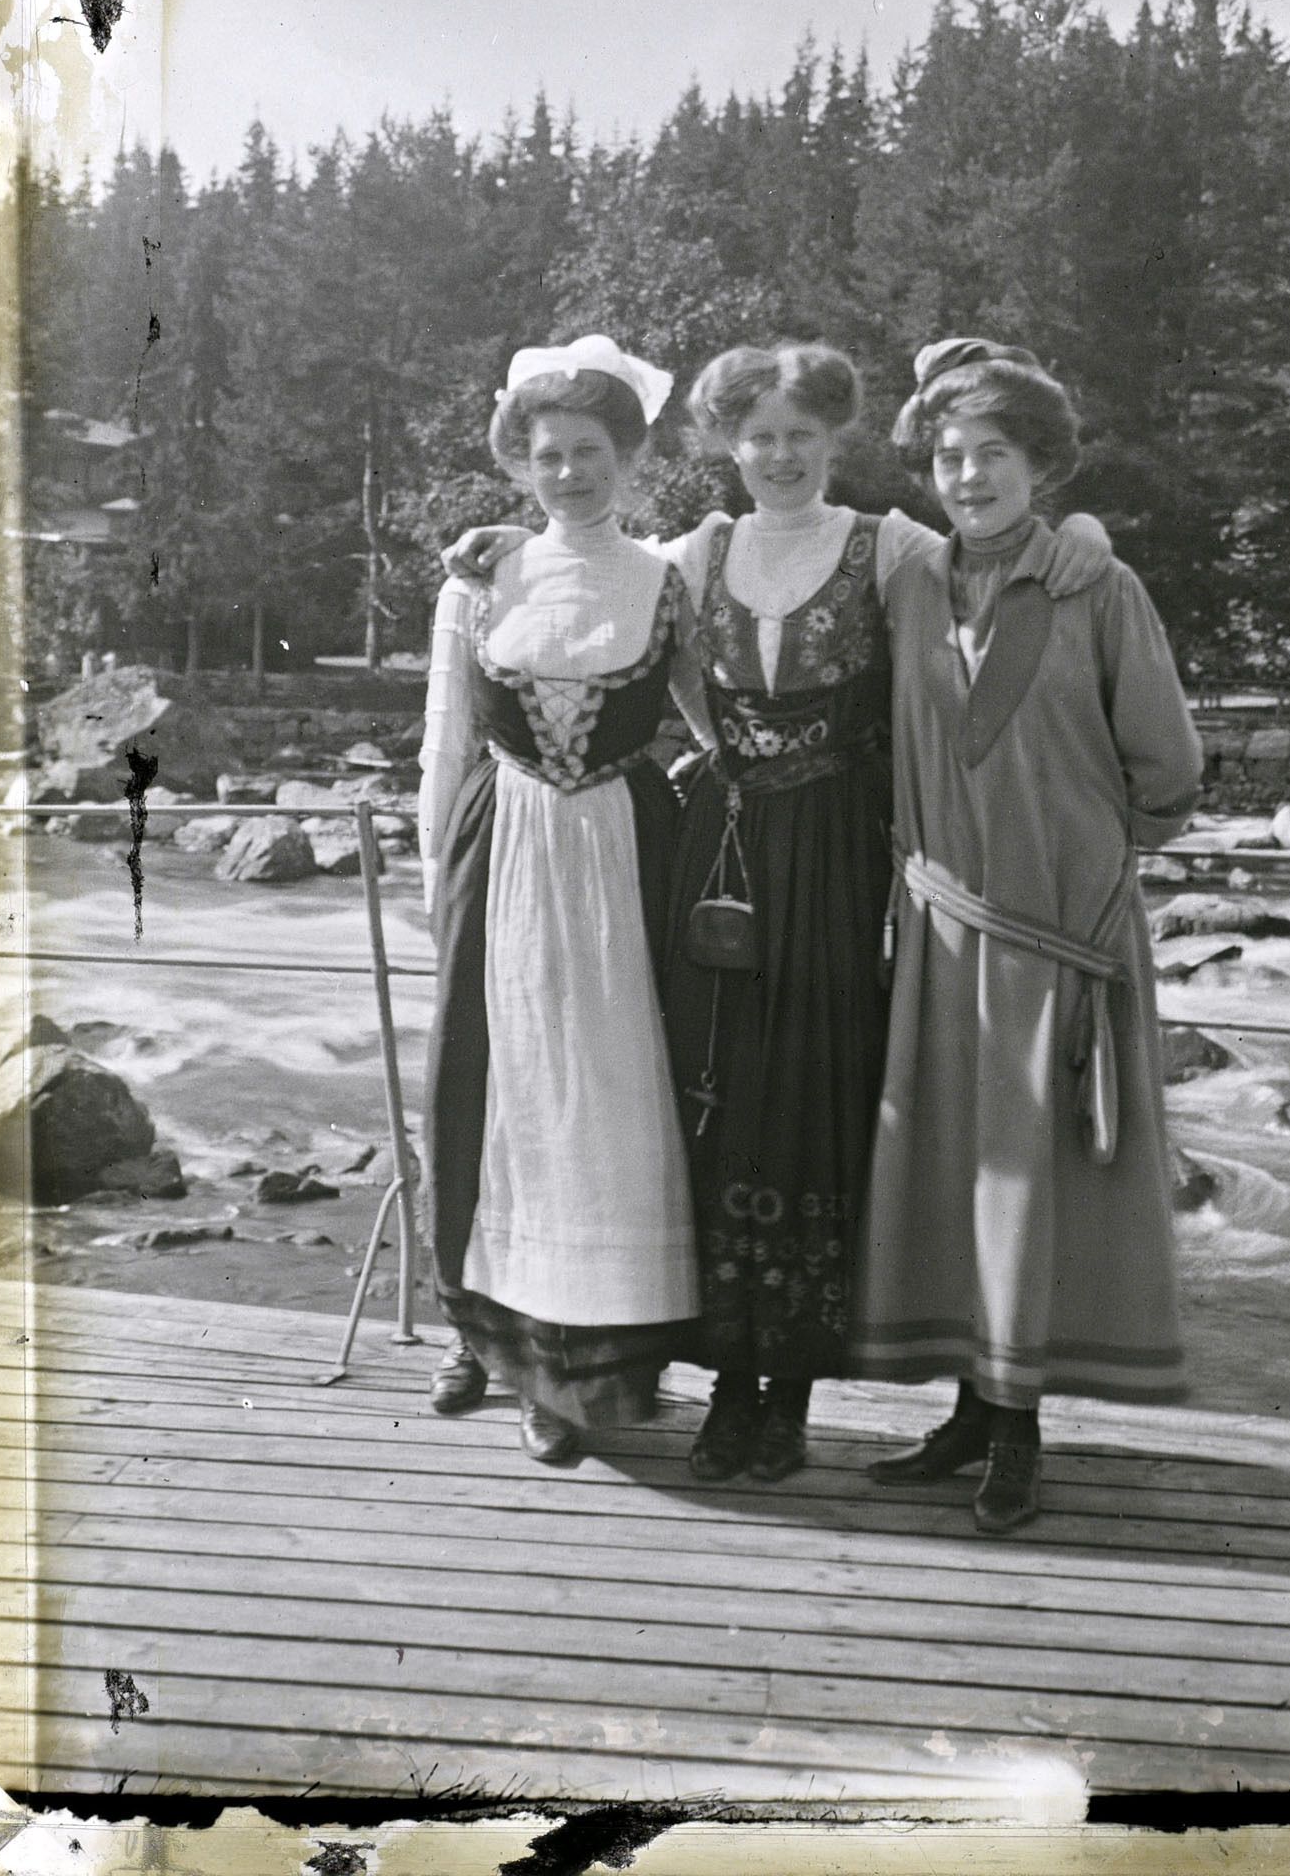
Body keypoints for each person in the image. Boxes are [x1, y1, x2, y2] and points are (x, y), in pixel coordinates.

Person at [443, 340, 1113, 1485]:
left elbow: (992, 566)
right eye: (758, 434)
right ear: (725, 445)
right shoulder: (694, 551)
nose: (780, 454)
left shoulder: (889, 544)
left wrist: (1085, 539)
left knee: (811, 1098)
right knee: (708, 1098)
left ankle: (789, 1389)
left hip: (843, 851)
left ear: (835, 440)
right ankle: (721, 1385)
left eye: (802, 432)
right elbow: (579, 561)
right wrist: (502, 540)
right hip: (721, 843)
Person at [849, 338, 1205, 1536]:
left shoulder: (1099, 588)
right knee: (957, 1171)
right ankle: (964, 1407)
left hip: (1056, 932)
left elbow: (1167, 769)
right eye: (947, 456)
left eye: (990, 454)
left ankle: (1017, 1427)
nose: (966, 475)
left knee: (1032, 1183)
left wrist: (1077, 861)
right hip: (944, 926)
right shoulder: (906, 583)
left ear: (1039, 461)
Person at [418, 334, 706, 1463]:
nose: (570, 473)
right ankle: (488, 1336)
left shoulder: (664, 576)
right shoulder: (479, 575)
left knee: (614, 1095)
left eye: (591, 451)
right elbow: (445, 732)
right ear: (520, 463)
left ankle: (593, 1362)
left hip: (628, 854)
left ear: (627, 457)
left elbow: (713, 718)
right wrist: (436, 866)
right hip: (509, 853)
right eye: (549, 454)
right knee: (500, 1086)